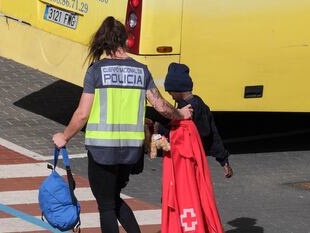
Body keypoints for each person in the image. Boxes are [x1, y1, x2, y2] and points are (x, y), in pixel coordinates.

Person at [52, 17, 193, 233]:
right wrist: (181, 115)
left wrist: (64, 136)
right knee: (114, 200)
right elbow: (162, 106)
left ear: (102, 42)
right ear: (125, 40)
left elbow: (82, 114)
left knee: (106, 206)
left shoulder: (96, 70)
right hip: (130, 152)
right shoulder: (141, 71)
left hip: (102, 151)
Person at [148, 62, 233, 178]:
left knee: (182, 192)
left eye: (170, 92)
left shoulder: (185, 111)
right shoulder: (201, 105)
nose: (170, 95)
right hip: (198, 160)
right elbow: (212, 135)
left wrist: (159, 129)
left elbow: (178, 136)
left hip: (185, 162)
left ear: (178, 89)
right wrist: (224, 160)